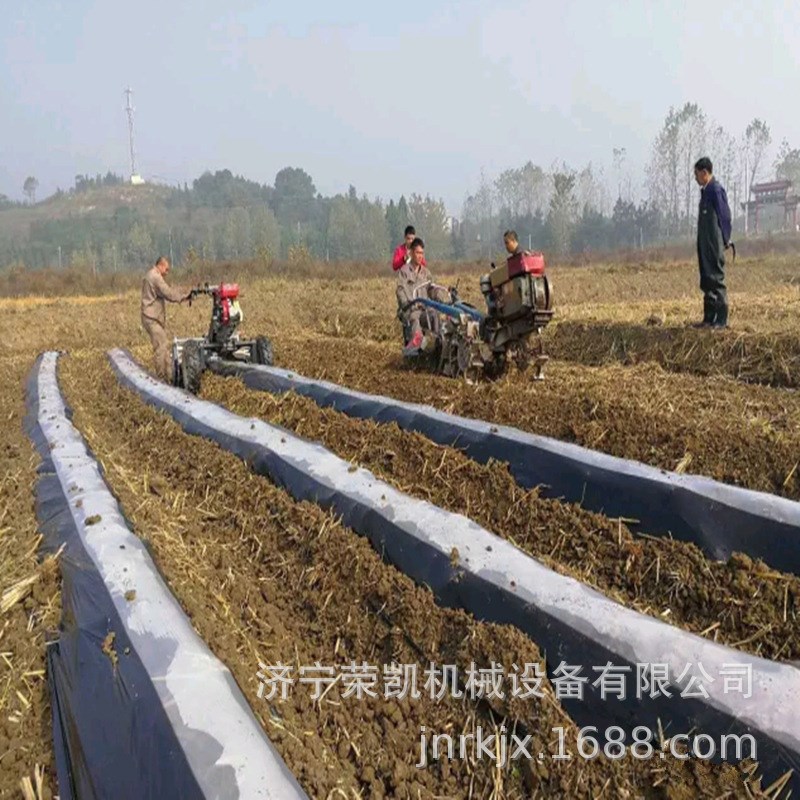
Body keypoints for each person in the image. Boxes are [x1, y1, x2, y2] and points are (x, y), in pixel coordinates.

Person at [694, 157, 732, 328]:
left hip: (714, 244)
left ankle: (721, 319)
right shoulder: (705, 192)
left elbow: (725, 217)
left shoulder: (716, 190)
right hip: (704, 245)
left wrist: (726, 238)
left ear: (704, 173)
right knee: (707, 279)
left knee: (716, 279)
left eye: (696, 174)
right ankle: (709, 318)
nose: (695, 178)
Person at [141, 256, 189, 380]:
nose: (167, 273)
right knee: (160, 347)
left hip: (151, 317)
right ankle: (161, 378)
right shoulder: (155, 277)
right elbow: (168, 293)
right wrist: (183, 297)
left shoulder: (150, 275)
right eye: (166, 270)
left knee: (164, 345)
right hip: (151, 318)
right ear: (160, 265)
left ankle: (170, 376)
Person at [396, 237, 447, 348]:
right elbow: (400, 290)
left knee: (434, 315)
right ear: (411, 253)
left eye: (422, 253)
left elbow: (432, 288)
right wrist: (406, 303)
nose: (420, 256)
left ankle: (437, 344)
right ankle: (417, 344)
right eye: (417, 252)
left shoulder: (426, 273)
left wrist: (442, 299)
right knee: (414, 317)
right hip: (410, 309)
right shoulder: (404, 271)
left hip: (424, 309)